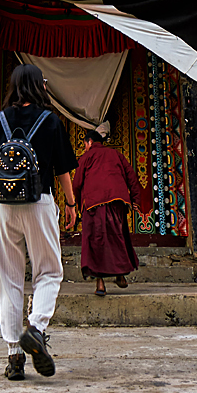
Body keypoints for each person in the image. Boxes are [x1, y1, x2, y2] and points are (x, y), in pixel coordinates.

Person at [0, 62, 78, 382]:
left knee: (9, 278)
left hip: (3, 208)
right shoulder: (51, 121)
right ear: (38, 85)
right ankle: (36, 327)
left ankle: (14, 357)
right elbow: (63, 170)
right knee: (49, 271)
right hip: (39, 203)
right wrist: (72, 203)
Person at [72, 124, 142, 296]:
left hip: (93, 205)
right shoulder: (116, 154)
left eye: (85, 144)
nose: (85, 147)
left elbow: (77, 183)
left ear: (89, 142)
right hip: (117, 203)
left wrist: (77, 205)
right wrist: (135, 200)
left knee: (96, 242)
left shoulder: (86, 157)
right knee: (117, 237)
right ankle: (120, 275)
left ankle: (100, 284)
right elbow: (132, 177)